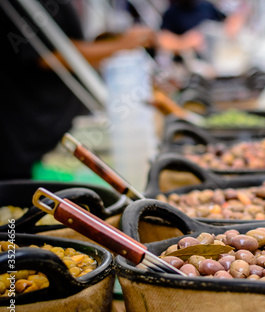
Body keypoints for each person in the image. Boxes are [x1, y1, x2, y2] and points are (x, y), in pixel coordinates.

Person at [0, 0, 155, 180]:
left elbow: (71, 43)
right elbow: (49, 55)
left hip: (60, 121)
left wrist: (115, 43)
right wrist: (123, 44)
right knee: (22, 188)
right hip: (28, 125)